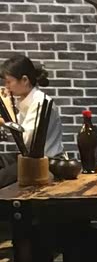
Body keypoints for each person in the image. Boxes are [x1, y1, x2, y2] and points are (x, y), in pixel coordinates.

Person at [0, 54, 64, 186]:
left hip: (44, 162)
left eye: (9, 82)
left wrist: (7, 112)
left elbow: (27, 142)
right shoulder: (25, 102)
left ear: (24, 80)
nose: (6, 87)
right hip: (29, 159)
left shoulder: (40, 102)